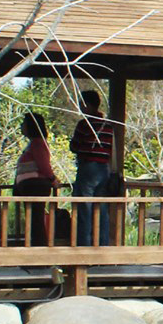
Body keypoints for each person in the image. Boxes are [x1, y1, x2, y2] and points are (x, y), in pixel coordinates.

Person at [70, 90, 122, 245]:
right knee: (101, 208)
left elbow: (74, 146)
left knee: (84, 208)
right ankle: (102, 245)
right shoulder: (108, 125)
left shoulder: (85, 124)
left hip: (88, 168)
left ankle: (84, 247)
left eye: (81, 104)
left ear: (87, 105)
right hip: (103, 169)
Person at [12, 112, 57, 245]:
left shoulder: (38, 143)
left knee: (36, 219)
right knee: (33, 218)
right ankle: (36, 245)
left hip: (36, 185)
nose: (21, 126)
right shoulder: (33, 143)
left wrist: (52, 179)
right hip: (30, 185)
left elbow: (43, 164)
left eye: (24, 124)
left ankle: (39, 247)